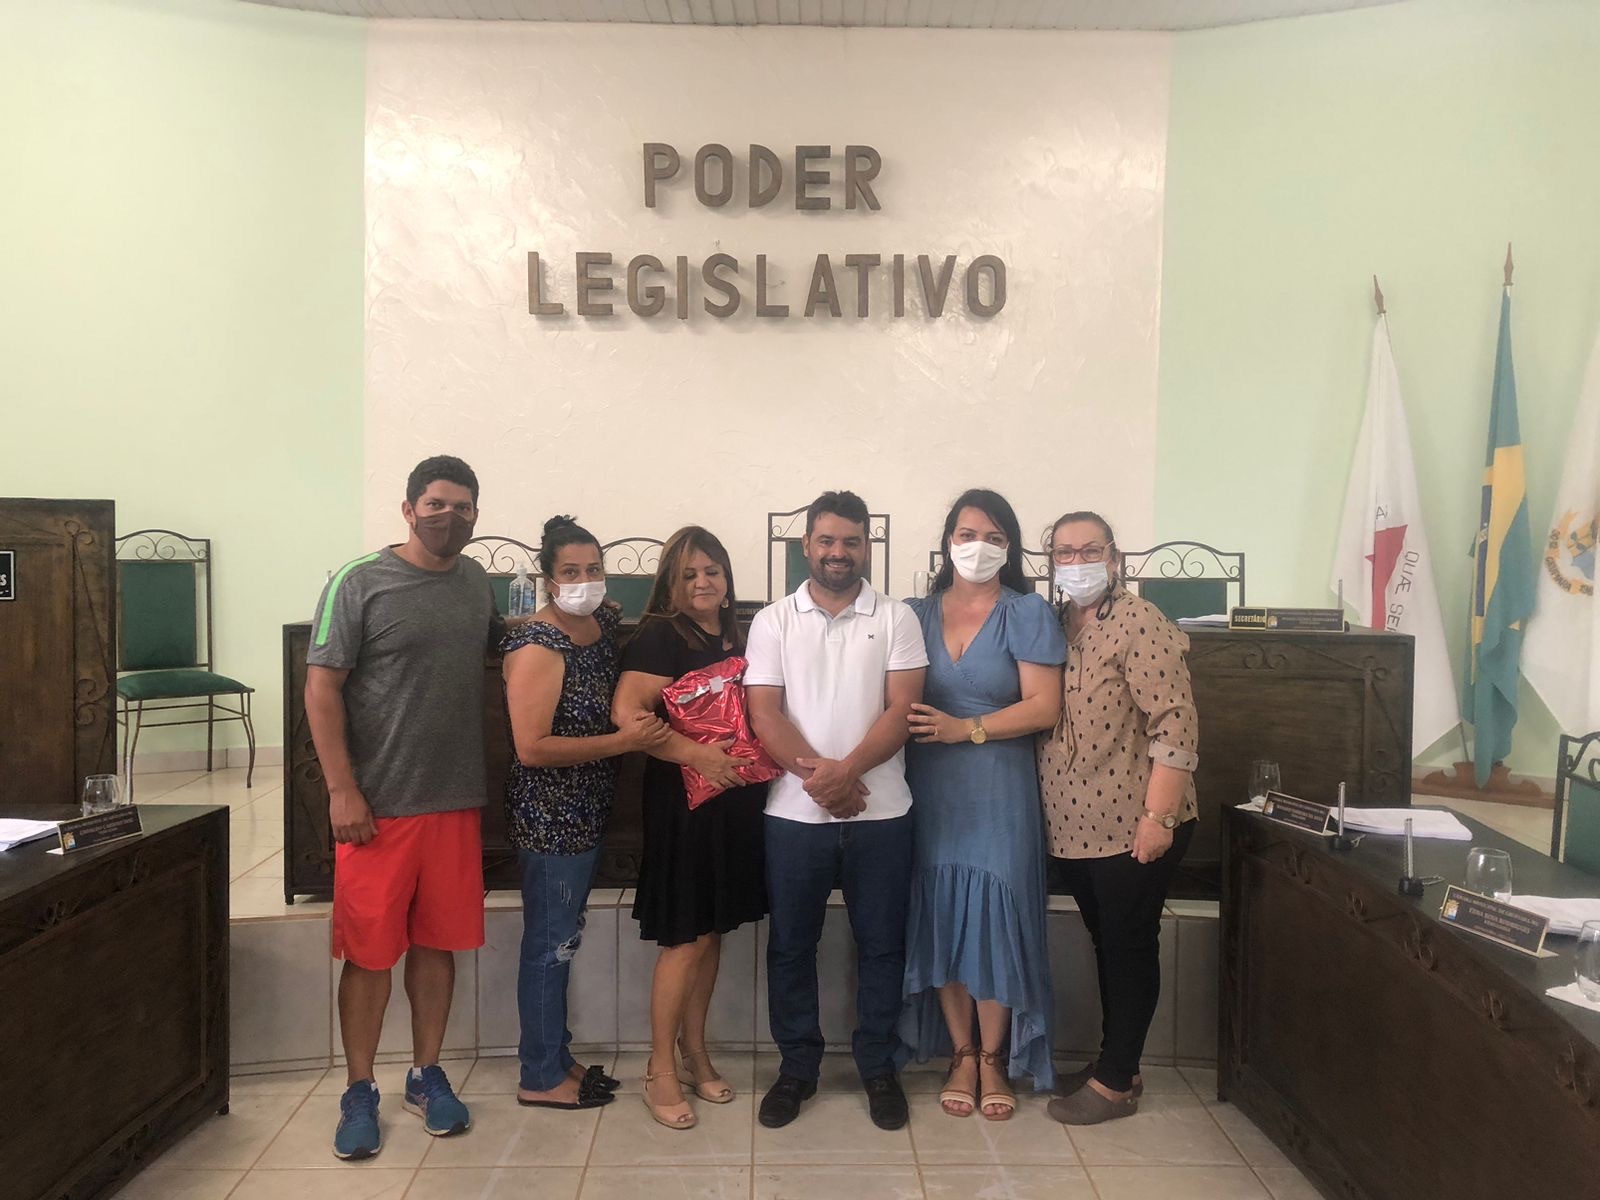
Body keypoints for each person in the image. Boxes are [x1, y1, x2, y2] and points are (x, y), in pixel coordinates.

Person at [305, 454, 494, 1160]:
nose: (450, 516)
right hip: (377, 809)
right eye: (436, 504)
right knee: (369, 954)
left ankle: (425, 1074)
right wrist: (341, 788)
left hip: (454, 800)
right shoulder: (358, 582)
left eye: (463, 507)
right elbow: (321, 687)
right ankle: (360, 1088)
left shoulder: (475, 582)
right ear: (409, 509)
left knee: (437, 946)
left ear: (476, 516)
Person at [746, 490, 928, 1132]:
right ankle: (797, 1068)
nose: (838, 552)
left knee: (882, 946)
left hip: (882, 815)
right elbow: (764, 713)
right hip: (794, 818)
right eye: (826, 540)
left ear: (866, 546)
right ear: (807, 545)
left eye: (851, 541)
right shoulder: (774, 620)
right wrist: (824, 783)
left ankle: (878, 1065)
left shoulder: (898, 617)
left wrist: (845, 774)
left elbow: (903, 710)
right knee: (792, 946)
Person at [898, 489, 1066, 1120]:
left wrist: (965, 729)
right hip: (930, 788)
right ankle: (961, 1052)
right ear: (948, 541)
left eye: (994, 537)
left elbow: (1043, 706)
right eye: (967, 535)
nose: (979, 547)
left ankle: (995, 1057)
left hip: (999, 787)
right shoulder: (913, 614)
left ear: (1010, 548)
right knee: (942, 910)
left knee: (995, 914)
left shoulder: (1026, 612)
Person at [502, 515, 670, 1111]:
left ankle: (556, 1055)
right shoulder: (537, 645)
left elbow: (613, 624)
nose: (585, 581)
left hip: (588, 810)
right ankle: (539, 1075)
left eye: (593, 570)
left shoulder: (598, 624)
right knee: (550, 945)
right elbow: (531, 748)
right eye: (570, 572)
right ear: (548, 580)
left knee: (563, 938)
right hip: (551, 817)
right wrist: (624, 742)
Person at [1037, 510, 1200, 1126]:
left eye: (1090, 550)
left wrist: (1158, 817)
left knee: (1129, 946)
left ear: (1114, 558)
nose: (1077, 563)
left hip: (1136, 821)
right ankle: (1118, 1064)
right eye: (1064, 552)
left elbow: (1175, 723)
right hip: (1078, 829)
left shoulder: (1140, 621)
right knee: (1108, 943)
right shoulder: (1056, 624)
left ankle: (1115, 1083)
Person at [613, 526, 769, 1130]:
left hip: (731, 803)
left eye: (713, 571)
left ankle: (695, 1050)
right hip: (684, 805)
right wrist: (698, 756)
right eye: (689, 575)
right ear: (670, 585)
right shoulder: (659, 635)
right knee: (684, 937)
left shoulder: (734, 634)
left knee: (710, 933)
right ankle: (659, 1068)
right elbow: (627, 714)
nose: (703, 583)